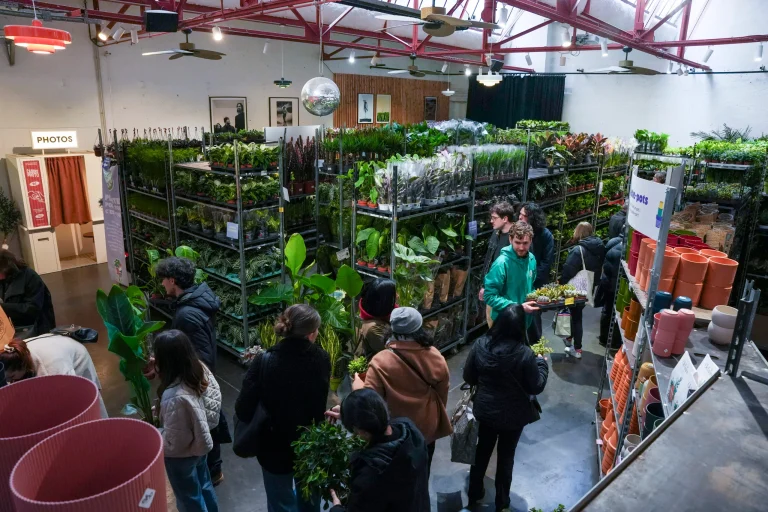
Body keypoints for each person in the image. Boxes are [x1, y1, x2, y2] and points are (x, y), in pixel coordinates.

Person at [235, 304, 330, 512]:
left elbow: (243, 409)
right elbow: (318, 404)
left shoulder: (264, 361)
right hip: (309, 443)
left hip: (274, 446)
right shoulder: (322, 359)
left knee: (280, 503)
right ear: (312, 333)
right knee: (309, 499)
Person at [463, 305, 549, 512]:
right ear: (520, 327)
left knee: (482, 450)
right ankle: (502, 503)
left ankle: (475, 492)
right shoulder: (525, 354)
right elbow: (536, 386)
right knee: (506, 456)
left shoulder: (480, 345)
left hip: (485, 410)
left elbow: (468, 377)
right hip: (514, 415)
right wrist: (542, 364)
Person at [352, 307, 451, 475]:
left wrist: (357, 385)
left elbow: (371, 400)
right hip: (426, 428)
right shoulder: (434, 355)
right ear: (419, 328)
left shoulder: (381, 361)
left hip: (396, 431)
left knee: (398, 476)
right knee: (422, 472)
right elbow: (443, 392)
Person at [154, 257, 227, 485]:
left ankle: (213, 472)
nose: (162, 285)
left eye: (164, 280)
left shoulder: (187, 314)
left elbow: (200, 355)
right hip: (200, 375)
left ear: (173, 280)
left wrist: (170, 368)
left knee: (205, 422)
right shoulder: (195, 301)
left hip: (196, 379)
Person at [327, 389, 430, 512]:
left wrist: (337, 508)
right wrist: (348, 415)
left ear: (361, 431)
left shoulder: (371, 474)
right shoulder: (411, 431)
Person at [154, 330, 221, 512]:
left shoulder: (174, 396)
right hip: (201, 444)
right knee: (205, 485)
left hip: (182, 456)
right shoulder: (198, 370)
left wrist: (156, 433)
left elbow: (176, 443)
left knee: (189, 498)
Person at [0, 335, 108, 417]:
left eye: (12, 376)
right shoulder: (15, 354)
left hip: (74, 356)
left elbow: (65, 398)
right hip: (53, 346)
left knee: (83, 401)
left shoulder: (53, 368)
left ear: (23, 366)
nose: (10, 381)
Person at [483, 221, 540, 336]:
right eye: (517, 242)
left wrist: (537, 297)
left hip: (523, 321)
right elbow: (489, 296)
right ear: (510, 239)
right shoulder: (501, 263)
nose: (521, 247)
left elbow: (530, 286)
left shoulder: (531, 259)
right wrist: (518, 307)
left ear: (531, 241)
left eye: (525, 243)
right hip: (503, 323)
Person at [559, 222, 606, 359]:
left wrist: (562, 286)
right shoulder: (599, 247)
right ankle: (575, 346)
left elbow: (568, 271)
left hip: (573, 291)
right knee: (577, 316)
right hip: (587, 289)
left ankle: (571, 342)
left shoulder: (578, 250)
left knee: (570, 315)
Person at [518, 202, 554, 341]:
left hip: (536, 282)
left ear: (532, 218)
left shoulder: (545, 236)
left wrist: (530, 277)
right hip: (520, 281)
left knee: (534, 316)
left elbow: (546, 262)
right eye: (520, 214)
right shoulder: (519, 233)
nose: (520, 218)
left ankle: (536, 347)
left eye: (524, 216)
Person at [0, 249, 55, 338]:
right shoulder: (4, 279)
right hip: (13, 328)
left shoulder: (30, 277)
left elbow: (32, 309)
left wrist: (3, 307)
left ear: (6, 268)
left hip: (34, 330)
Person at [478, 202, 516, 303]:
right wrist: (484, 286)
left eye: (495, 218)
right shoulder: (496, 233)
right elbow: (489, 261)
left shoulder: (517, 238)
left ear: (505, 219)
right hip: (493, 288)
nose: (491, 221)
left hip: (507, 292)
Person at [356, 278, 397, 358]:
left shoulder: (375, 312)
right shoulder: (374, 328)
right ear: (384, 301)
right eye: (393, 295)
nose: (397, 296)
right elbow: (393, 354)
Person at [596, 236, 624, 348]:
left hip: (607, 284)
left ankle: (603, 338)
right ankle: (613, 341)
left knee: (607, 311)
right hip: (615, 287)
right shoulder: (622, 251)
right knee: (614, 313)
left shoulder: (613, 243)